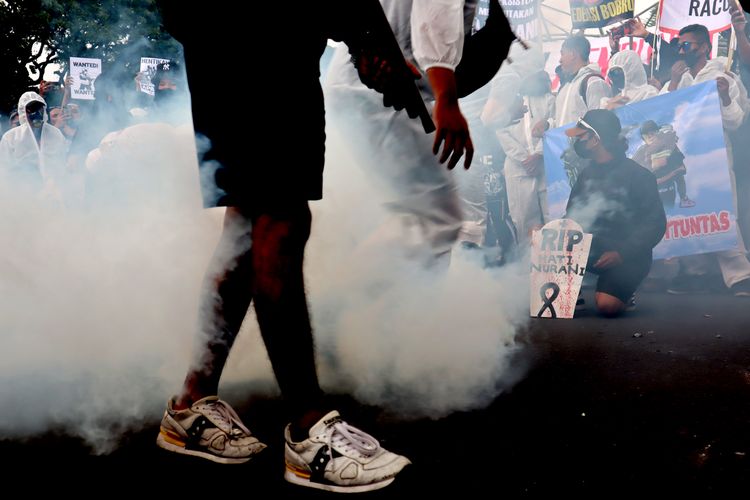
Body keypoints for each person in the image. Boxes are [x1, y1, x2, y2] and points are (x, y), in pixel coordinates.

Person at [154, 0, 482, 492]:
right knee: (280, 217)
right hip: (266, 41)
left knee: (248, 220)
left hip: (226, 41)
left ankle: (191, 402)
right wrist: (368, 40)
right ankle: (308, 429)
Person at [660, 23, 750, 296]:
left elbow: (735, 121)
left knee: (721, 212)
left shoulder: (724, 75)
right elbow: (662, 115)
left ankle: (741, 275)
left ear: (705, 48)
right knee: (686, 212)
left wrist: (723, 96)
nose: (681, 50)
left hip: (715, 157)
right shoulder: (681, 79)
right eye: (679, 45)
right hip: (683, 159)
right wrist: (673, 83)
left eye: (687, 45)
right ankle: (695, 272)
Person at [564, 109, 666, 316]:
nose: (577, 141)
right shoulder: (586, 174)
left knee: (607, 307)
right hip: (595, 250)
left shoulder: (639, 176)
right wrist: (550, 233)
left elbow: (655, 224)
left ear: (596, 140)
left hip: (629, 256)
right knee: (551, 238)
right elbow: (572, 216)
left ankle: (625, 291)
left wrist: (622, 254)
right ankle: (570, 293)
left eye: (581, 136)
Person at [0, 92, 68, 200]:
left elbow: (63, 164)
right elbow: (4, 172)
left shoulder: (56, 134)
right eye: (30, 109)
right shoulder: (11, 138)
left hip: (53, 195)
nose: (36, 113)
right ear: (23, 112)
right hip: (23, 196)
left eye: (39, 108)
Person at [632, 120, 694, 209]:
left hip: (668, 188)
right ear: (643, 138)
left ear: (657, 133)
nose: (650, 137)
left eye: (652, 133)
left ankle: (684, 199)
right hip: (652, 191)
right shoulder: (641, 151)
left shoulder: (668, 146)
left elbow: (681, 169)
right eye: (647, 135)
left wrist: (675, 169)